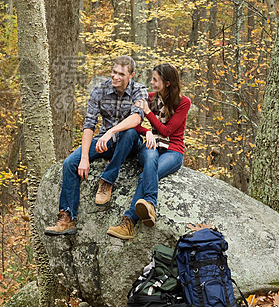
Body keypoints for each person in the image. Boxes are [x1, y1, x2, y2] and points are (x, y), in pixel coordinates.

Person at [45, 56, 148, 236]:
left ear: (131, 75)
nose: (115, 76)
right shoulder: (99, 90)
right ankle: (67, 217)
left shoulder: (140, 91)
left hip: (128, 143)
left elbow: (136, 118)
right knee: (70, 163)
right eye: (114, 72)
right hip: (104, 142)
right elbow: (89, 124)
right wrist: (84, 157)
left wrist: (111, 132)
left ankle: (107, 180)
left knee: (130, 132)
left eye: (121, 74)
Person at [107, 63, 191, 240]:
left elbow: (167, 131)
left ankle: (129, 222)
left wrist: (148, 112)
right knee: (150, 156)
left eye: (155, 80)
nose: (151, 83)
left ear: (167, 83)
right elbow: (132, 121)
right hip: (152, 147)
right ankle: (150, 204)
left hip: (173, 151)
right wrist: (146, 132)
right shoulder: (149, 98)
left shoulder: (183, 103)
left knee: (146, 175)